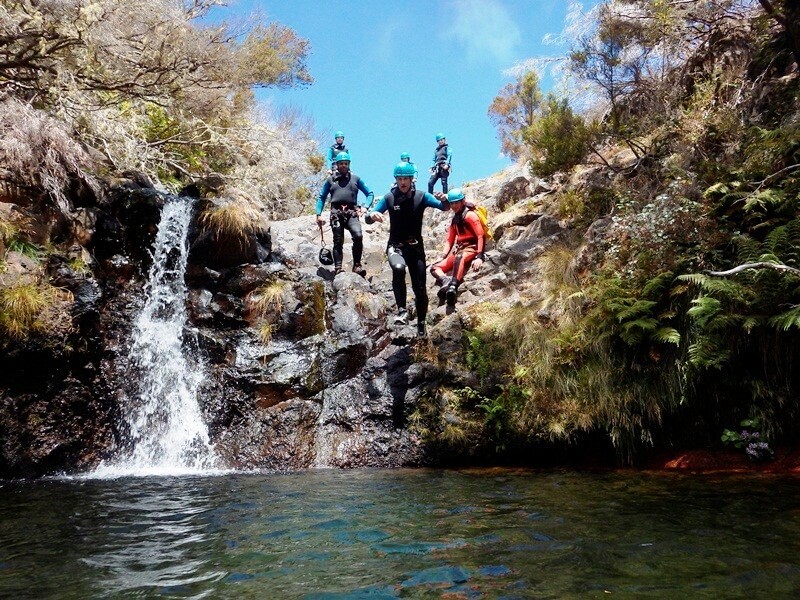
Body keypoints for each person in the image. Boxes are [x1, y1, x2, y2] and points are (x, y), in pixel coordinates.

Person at [366, 161, 449, 337]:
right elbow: (369, 216)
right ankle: (402, 310)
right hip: (396, 246)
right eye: (400, 179)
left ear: (412, 179)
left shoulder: (421, 196)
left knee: (420, 290)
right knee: (398, 268)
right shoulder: (389, 198)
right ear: (396, 180)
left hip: (416, 249)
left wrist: (444, 200)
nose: (403, 182)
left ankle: (421, 324)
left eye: (406, 178)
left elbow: (444, 207)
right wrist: (372, 215)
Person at [315, 152, 374, 277]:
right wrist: (318, 214)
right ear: (337, 165)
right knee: (338, 240)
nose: (343, 166)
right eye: (341, 163)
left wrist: (365, 207)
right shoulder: (330, 180)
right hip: (336, 214)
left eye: (346, 164)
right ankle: (338, 268)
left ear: (349, 164)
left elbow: (370, 194)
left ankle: (357, 266)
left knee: (358, 236)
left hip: (351, 213)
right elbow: (321, 197)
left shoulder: (355, 179)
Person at [430, 188, 485, 307]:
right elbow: (449, 240)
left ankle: (453, 287)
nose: (454, 205)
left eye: (456, 202)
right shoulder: (455, 220)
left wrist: (479, 256)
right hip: (460, 249)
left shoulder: (470, 215)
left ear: (462, 201)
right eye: (452, 203)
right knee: (434, 268)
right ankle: (446, 280)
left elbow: (480, 235)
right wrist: (442, 257)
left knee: (459, 257)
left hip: (472, 248)